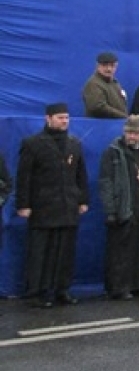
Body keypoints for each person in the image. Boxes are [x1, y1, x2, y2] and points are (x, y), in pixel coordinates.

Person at [15, 102, 89, 307]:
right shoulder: (33, 144)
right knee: (40, 252)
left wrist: (82, 199)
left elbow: (80, 174)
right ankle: (36, 292)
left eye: (66, 117)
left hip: (67, 206)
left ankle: (61, 289)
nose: (64, 121)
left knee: (65, 252)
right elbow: (24, 177)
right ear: (48, 119)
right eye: (60, 118)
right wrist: (24, 204)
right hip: (43, 207)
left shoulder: (74, 143)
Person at [99, 115, 139, 300]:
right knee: (121, 252)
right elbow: (106, 182)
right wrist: (110, 210)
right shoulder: (113, 152)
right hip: (123, 207)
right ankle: (119, 287)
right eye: (129, 132)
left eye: (136, 133)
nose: (132, 137)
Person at [82, 51, 128, 118]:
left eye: (112, 66)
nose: (109, 69)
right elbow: (98, 107)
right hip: (100, 126)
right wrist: (123, 116)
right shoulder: (93, 84)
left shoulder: (115, 83)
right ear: (98, 66)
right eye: (105, 65)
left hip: (116, 125)